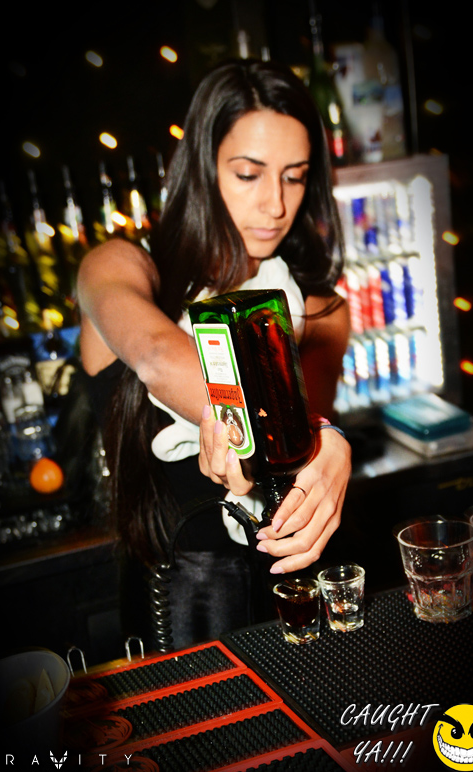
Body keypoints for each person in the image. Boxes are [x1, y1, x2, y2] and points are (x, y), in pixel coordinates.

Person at [77, 58, 352, 651]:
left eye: (295, 177)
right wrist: (301, 433)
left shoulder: (318, 307)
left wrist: (322, 439)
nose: (275, 204)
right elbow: (158, 354)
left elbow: (299, 457)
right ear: (202, 168)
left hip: (287, 598)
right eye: (249, 174)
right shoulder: (120, 268)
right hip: (176, 619)